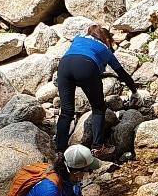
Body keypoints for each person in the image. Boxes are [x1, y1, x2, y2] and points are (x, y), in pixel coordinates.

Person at [55, 25, 139, 159]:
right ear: (106, 40)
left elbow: (79, 54)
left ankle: (59, 152)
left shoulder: (78, 39)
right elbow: (121, 73)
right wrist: (134, 91)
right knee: (98, 108)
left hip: (64, 65)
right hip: (87, 66)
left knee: (66, 112)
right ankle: (98, 148)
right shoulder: (105, 49)